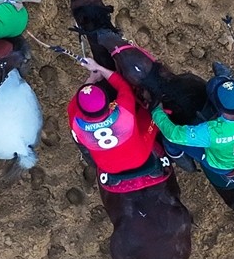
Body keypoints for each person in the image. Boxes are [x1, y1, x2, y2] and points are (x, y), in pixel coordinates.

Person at [151, 45, 234, 189]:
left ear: (218, 106)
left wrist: (157, 112)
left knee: (169, 142)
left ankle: (186, 164)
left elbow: (174, 134)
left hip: (222, 166)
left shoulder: (210, 131)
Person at [68, 58, 172, 192]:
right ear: (107, 102)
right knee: (150, 114)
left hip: (108, 167)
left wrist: (91, 79)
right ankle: (176, 151)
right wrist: (99, 68)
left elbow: (73, 104)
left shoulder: (76, 121)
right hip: (140, 158)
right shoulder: (124, 112)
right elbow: (122, 85)